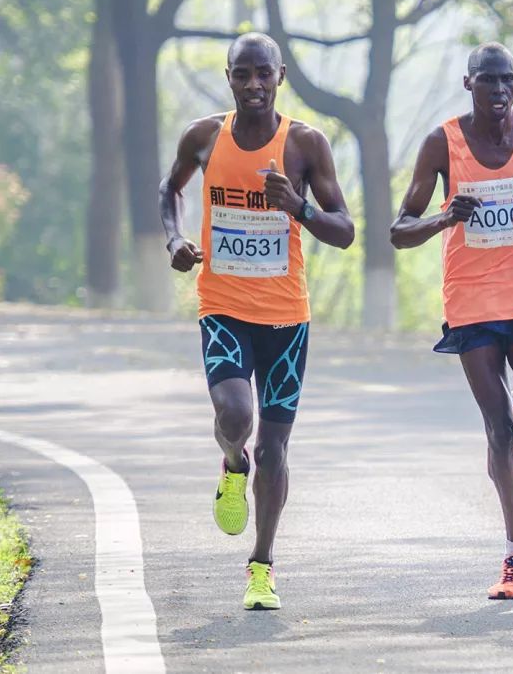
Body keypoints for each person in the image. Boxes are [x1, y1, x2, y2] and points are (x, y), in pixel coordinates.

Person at [159, 33, 354, 610]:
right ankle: (229, 462)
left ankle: (262, 564)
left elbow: (344, 230)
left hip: (287, 319)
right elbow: (169, 189)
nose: (252, 85)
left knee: (275, 452)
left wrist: (297, 206)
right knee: (235, 414)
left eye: (262, 74)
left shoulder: (305, 144)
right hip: (223, 306)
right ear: (228, 78)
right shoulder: (203, 137)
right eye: (241, 74)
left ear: (280, 75)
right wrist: (174, 239)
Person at [390, 43, 513, 600]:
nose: (500, 90)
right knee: (497, 431)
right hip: (469, 303)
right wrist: (443, 217)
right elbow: (400, 228)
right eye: (489, 81)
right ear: (469, 84)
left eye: (508, 80)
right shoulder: (444, 142)